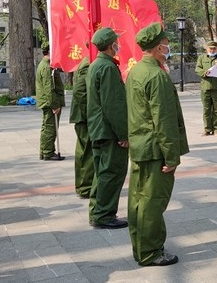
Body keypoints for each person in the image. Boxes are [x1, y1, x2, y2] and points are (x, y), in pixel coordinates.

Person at [126, 22, 189, 266]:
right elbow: (164, 121)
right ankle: (151, 251)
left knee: (138, 200)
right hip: (155, 150)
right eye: (165, 43)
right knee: (153, 202)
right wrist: (172, 156)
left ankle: (140, 247)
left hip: (140, 146)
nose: (168, 46)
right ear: (158, 47)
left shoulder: (136, 71)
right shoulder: (156, 75)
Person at [86, 27, 129, 228]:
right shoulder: (108, 68)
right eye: (116, 42)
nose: (118, 45)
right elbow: (113, 105)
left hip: (98, 128)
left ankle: (97, 211)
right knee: (111, 173)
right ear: (112, 45)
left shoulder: (95, 65)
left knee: (101, 173)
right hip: (109, 131)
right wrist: (123, 133)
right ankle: (104, 215)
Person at [69, 48, 93, 199]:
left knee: (83, 150)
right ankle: (86, 186)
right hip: (83, 116)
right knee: (87, 151)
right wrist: (88, 113)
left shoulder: (87, 61)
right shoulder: (88, 63)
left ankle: (83, 185)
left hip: (81, 115)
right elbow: (80, 91)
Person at [35, 43, 65, 161]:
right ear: (49, 51)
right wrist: (54, 104)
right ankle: (48, 152)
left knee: (47, 126)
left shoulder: (46, 65)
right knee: (50, 127)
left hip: (46, 101)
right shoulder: (47, 67)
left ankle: (44, 150)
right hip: (49, 102)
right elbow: (48, 87)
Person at [195, 40, 217, 136]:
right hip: (205, 87)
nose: (212, 50)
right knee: (206, 110)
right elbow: (197, 69)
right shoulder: (202, 58)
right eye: (211, 48)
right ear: (207, 48)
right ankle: (207, 129)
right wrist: (204, 72)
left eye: (214, 49)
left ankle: (216, 129)